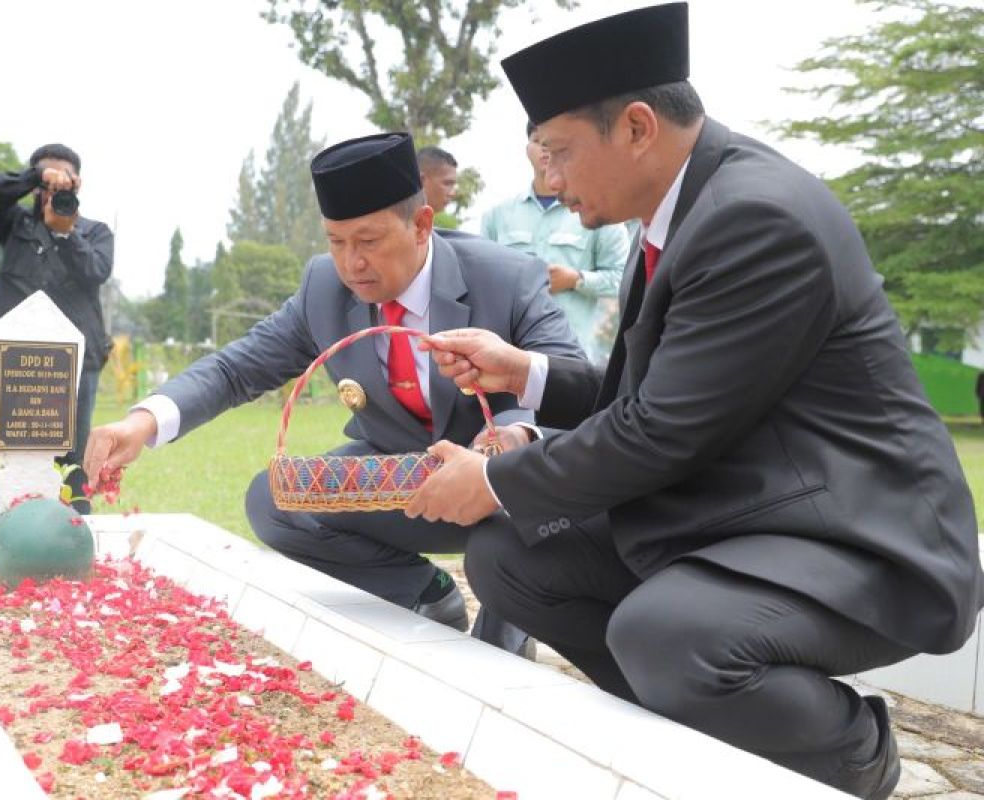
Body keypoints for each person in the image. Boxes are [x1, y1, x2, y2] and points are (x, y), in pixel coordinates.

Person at [403, 5, 983, 799]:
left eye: (559, 153)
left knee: (671, 636)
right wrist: (522, 372)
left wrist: (494, 479)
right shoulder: (688, 209)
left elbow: (660, 431)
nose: (549, 182)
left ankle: (852, 754)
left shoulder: (756, 215)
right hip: (744, 510)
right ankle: (687, 743)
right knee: (512, 557)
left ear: (637, 126)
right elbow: (654, 394)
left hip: (856, 533)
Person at [84, 132, 583, 654]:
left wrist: (514, 437)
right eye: (335, 242)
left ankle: (505, 643)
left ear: (421, 225)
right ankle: (424, 596)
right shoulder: (323, 288)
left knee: (524, 508)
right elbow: (237, 368)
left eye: (368, 241)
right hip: (397, 484)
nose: (352, 264)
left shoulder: (505, 278)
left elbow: (572, 385)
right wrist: (140, 423)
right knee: (275, 499)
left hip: (495, 484)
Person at [0, 144, 114, 514]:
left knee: (73, 454)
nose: (55, 191)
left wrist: (66, 235)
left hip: (78, 359)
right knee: (17, 448)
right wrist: (34, 177)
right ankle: (16, 523)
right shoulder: (15, 224)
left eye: (63, 181)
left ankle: (76, 531)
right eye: (48, 181)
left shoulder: (95, 233)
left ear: (77, 184)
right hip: (15, 359)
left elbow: (97, 273)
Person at [481, 121, 630, 361]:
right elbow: (480, 279)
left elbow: (623, 278)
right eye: (539, 141)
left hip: (573, 355)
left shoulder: (597, 212)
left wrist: (576, 280)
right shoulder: (497, 215)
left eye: (555, 143)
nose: (545, 149)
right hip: (510, 354)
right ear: (527, 147)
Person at [417, 146, 459, 215]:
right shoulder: (396, 222)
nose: (452, 193)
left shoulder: (421, 223)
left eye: (453, 185)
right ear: (421, 181)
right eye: (447, 184)